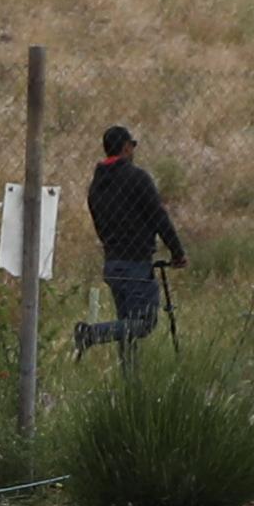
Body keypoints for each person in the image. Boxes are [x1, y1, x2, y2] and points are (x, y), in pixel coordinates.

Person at [84, 124, 182, 347]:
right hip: (136, 263)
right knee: (143, 323)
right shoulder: (137, 178)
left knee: (126, 328)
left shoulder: (96, 185)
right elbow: (158, 216)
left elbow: (98, 223)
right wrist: (177, 252)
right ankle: (91, 334)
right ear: (126, 148)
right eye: (132, 146)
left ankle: (130, 379)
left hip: (112, 262)